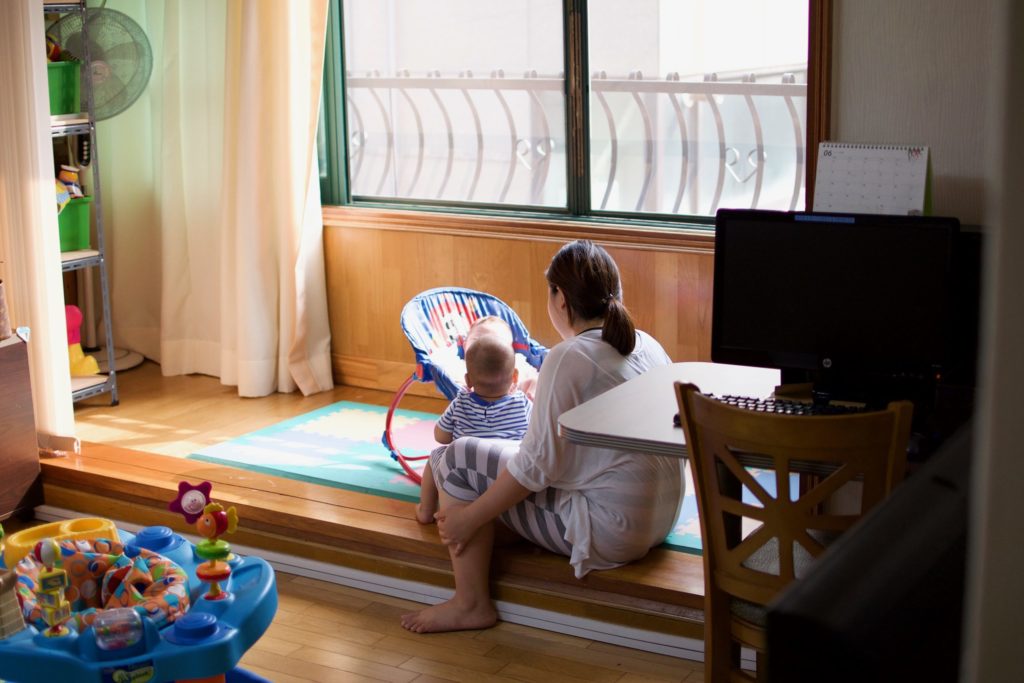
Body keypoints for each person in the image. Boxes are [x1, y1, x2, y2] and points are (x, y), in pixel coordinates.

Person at [401, 239, 682, 634]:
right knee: (503, 461)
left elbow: (535, 468)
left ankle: (470, 603)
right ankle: (497, 537)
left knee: (454, 457)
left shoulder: (568, 356)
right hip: (660, 518)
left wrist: (468, 519)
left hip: (613, 532)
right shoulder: (647, 343)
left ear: (561, 300)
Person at [416, 325, 533, 524]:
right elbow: (534, 434)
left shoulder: (461, 402)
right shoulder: (523, 404)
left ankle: (426, 510)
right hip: (506, 477)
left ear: (468, 380)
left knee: (435, 455)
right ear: (515, 376)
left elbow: (440, 436)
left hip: (466, 476)